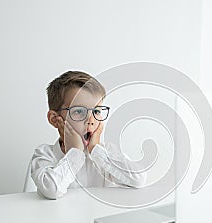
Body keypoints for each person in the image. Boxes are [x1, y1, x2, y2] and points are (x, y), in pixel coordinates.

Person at [30, 71, 146, 199]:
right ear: (54, 119)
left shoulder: (106, 152)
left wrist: (96, 150)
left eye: (96, 111)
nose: (91, 120)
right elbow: (52, 190)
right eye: (79, 111)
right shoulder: (45, 154)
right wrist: (75, 152)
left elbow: (138, 179)